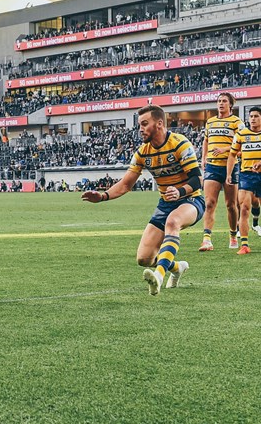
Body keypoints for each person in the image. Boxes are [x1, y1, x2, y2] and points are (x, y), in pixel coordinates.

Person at [82, 105, 203, 296]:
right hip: (165, 204)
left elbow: (197, 179)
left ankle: (159, 277)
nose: (140, 129)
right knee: (144, 259)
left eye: (145, 124)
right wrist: (103, 196)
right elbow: (125, 184)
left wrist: (180, 191)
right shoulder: (142, 152)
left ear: (159, 124)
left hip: (191, 199)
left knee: (173, 222)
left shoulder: (180, 143)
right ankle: (177, 267)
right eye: (139, 124)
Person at [200, 92, 243, 251]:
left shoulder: (237, 122)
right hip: (212, 166)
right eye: (219, 101)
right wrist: (203, 157)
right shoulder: (210, 122)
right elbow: (206, 140)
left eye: (224, 101)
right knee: (210, 203)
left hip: (230, 166)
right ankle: (206, 239)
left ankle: (233, 235)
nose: (221, 103)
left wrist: (225, 148)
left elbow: (242, 144)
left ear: (230, 104)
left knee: (231, 205)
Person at [225, 106, 261, 255]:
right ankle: (244, 245)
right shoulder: (241, 134)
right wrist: (229, 173)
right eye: (251, 116)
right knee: (244, 207)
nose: (252, 119)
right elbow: (232, 155)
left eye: (256, 116)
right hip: (246, 174)